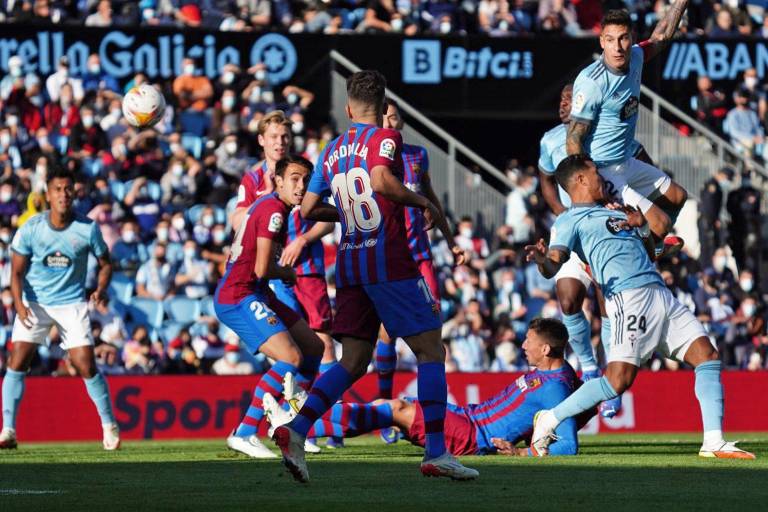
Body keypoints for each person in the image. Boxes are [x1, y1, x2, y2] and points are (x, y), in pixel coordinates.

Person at [273, 70, 478, 482]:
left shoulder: (331, 149)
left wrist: (346, 213)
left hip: (349, 265)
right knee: (430, 351)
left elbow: (309, 208)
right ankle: (437, 451)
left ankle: (295, 430)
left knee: (352, 361)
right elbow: (383, 181)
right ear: (384, 109)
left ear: (348, 108)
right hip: (387, 259)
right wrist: (425, 203)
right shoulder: (387, 139)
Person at [525, 154, 755, 460]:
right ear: (579, 179)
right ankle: (550, 418)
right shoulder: (569, 220)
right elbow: (553, 265)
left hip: (659, 293)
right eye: (594, 173)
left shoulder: (614, 208)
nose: (600, 179)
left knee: (707, 356)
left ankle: (713, 441)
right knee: (618, 381)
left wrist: (643, 227)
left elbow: (651, 251)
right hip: (626, 297)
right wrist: (542, 260)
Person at [268, 318, 591, 456]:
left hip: (473, 436)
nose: (523, 346)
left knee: (395, 409)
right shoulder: (558, 377)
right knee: (387, 405)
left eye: (529, 342)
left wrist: (520, 451)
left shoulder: (556, 389)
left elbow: (567, 446)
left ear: (546, 350)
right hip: (467, 416)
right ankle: (299, 426)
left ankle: (297, 424)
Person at [538, 83, 667, 418]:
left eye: (572, 99)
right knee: (567, 297)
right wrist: (561, 214)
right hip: (572, 227)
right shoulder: (550, 140)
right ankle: (589, 366)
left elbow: (639, 160)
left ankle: (612, 376)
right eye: (562, 99)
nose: (565, 104)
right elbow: (545, 179)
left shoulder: (607, 136)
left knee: (606, 300)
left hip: (605, 230)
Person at [0, 168, 120, 450]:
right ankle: (8, 430)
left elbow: (106, 264)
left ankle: (109, 425)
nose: (63, 194)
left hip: (71, 303)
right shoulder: (31, 227)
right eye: (57, 189)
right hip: (35, 302)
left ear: (74, 192)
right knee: (17, 360)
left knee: (85, 364)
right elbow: (15, 273)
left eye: (68, 189)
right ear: (48, 193)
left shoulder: (87, 228)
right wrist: (18, 304)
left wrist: (101, 289)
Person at [214, 155, 324, 459]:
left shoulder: (274, 207)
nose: (301, 186)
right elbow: (262, 268)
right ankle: (244, 433)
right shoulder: (274, 211)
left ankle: (292, 424)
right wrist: (286, 272)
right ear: (277, 181)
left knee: (313, 347)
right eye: (294, 179)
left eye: (306, 180)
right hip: (238, 296)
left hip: (257, 293)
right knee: (290, 358)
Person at [566, 8, 690, 251]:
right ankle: (639, 251)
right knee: (661, 225)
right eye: (610, 40)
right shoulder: (592, 82)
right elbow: (573, 140)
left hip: (626, 161)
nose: (618, 47)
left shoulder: (635, 56)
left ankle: (650, 248)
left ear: (631, 38)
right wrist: (591, 185)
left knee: (677, 197)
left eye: (623, 38)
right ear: (602, 41)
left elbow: (661, 37)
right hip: (603, 169)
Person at [374, 98, 445, 425]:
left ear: (401, 121)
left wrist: (452, 239)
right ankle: (386, 403)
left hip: (421, 257)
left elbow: (429, 198)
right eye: (384, 118)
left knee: (434, 330)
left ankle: (433, 418)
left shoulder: (419, 155)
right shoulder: (374, 161)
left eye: (394, 117)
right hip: (391, 256)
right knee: (387, 332)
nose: (390, 122)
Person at [229, 110, 292, 232]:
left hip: (298, 248)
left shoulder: (303, 174)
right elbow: (237, 224)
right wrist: (265, 199)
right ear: (261, 140)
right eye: (273, 136)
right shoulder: (252, 179)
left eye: (285, 136)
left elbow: (326, 223)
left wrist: (303, 240)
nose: (280, 142)